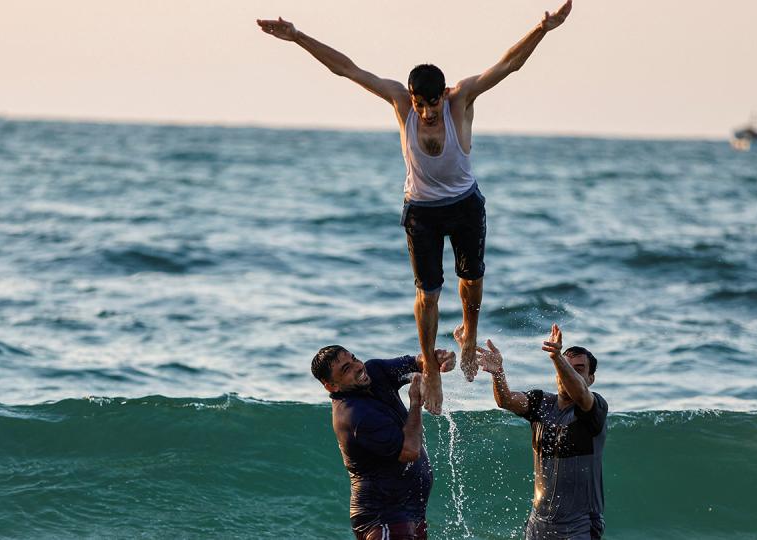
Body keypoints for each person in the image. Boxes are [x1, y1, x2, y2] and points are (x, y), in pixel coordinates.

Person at [260, 1, 574, 415]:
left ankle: (469, 336)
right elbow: (348, 69)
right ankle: (429, 371)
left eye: (431, 103)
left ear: (442, 95)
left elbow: (507, 66)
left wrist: (542, 28)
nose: (426, 112)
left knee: (472, 282)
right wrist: (298, 36)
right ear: (411, 97)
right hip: (422, 212)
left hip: (464, 205)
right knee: (428, 294)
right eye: (419, 103)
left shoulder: (459, 99)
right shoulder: (400, 103)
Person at [476, 324, 608, 539]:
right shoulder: (541, 403)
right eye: (567, 367)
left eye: (579, 369)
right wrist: (498, 373)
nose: (570, 373)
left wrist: (557, 357)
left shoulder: (594, 409)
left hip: (579, 525)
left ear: (591, 379)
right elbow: (506, 400)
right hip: (538, 524)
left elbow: (581, 392)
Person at [311, 344, 456, 539]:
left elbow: (415, 363)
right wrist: (415, 403)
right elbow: (410, 452)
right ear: (331, 385)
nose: (358, 366)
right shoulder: (354, 415)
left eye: (354, 358)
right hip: (383, 516)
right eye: (346, 369)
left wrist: (438, 359)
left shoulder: (374, 370)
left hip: (408, 512)